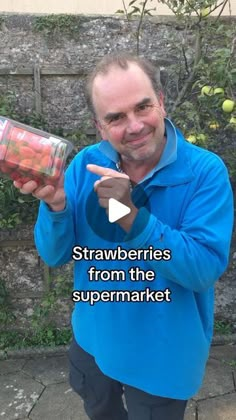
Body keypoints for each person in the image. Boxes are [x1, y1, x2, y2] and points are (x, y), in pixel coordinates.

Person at [14, 52, 234, 420]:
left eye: (143, 107)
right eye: (115, 117)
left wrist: (129, 215)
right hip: (93, 342)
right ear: (99, 126)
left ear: (161, 102)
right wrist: (55, 208)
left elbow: (202, 269)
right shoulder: (85, 164)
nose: (133, 126)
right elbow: (54, 255)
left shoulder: (204, 172)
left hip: (162, 357)